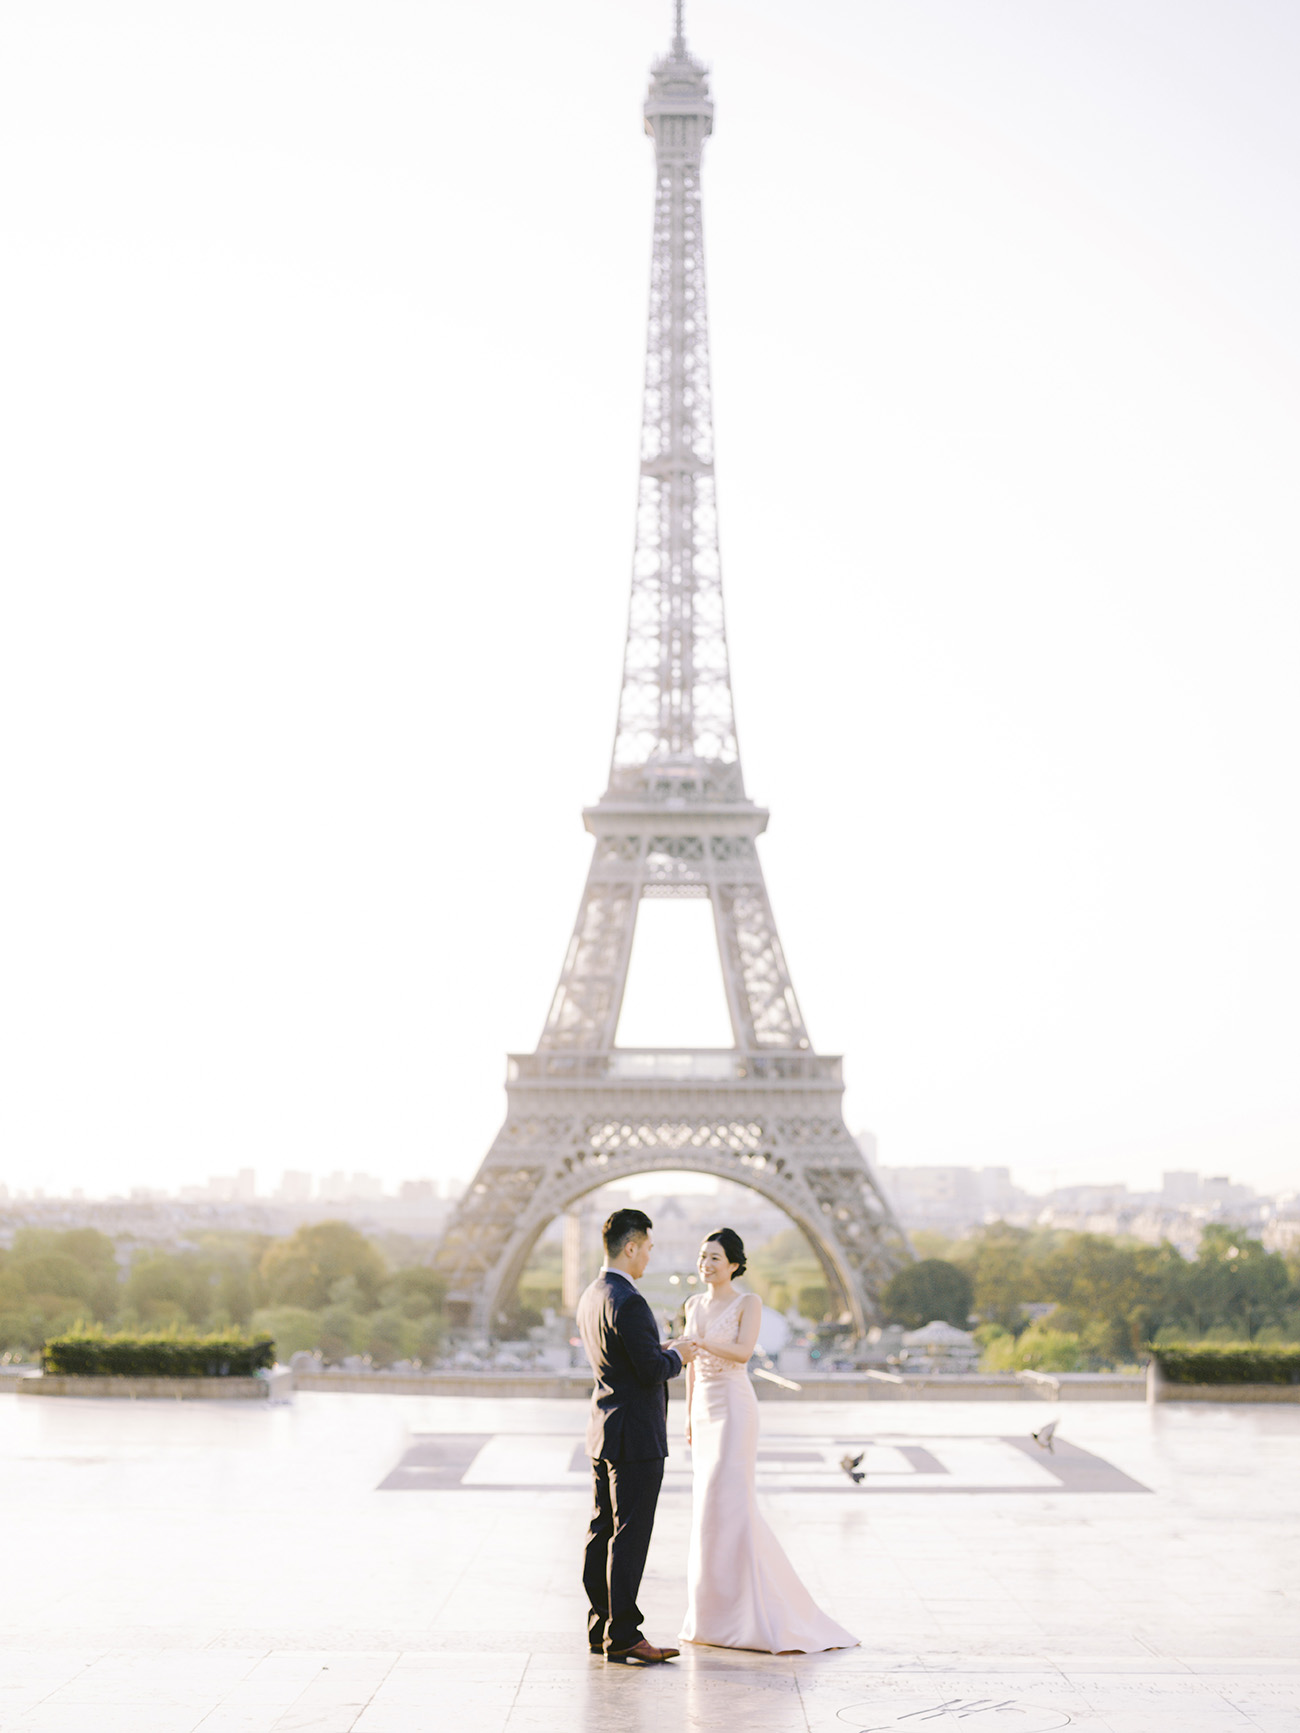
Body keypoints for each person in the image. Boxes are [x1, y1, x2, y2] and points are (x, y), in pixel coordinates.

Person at [679, 1227, 857, 1653]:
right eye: (703, 1257)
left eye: (715, 1258)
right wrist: (686, 1415)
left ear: (735, 1265)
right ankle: (714, 1615)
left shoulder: (748, 1303)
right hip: (704, 1407)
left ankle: (750, 1613)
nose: (706, 1264)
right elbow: (689, 1367)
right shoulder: (692, 1304)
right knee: (710, 1507)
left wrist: (698, 1341)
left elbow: (742, 1353)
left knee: (731, 1501)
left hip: (735, 1407)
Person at [576, 1207, 699, 1664]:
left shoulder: (594, 1294)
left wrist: (658, 1351)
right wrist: (679, 1355)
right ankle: (625, 1634)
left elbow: (622, 1359)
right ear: (631, 1247)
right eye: (647, 1247)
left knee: (601, 1530)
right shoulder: (630, 1301)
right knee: (630, 1535)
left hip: (604, 1428)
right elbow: (649, 1370)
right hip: (636, 1436)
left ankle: (601, 1625)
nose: (650, 1256)